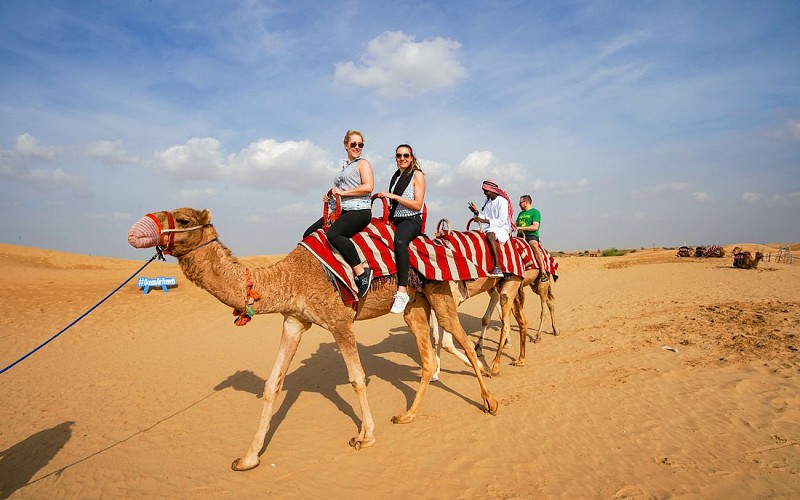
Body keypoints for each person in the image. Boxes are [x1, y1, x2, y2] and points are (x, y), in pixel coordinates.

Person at [304, 129, 374, 297]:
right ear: (345, 145)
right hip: (342, 210)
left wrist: (342, 193)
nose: (357, 147)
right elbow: (342, 189)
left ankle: (361, 272)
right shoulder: (345, 166)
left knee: (334, 234)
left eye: (360, 144)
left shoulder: (362, 163)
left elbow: (368, 186)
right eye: (353, 144)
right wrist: (331, 198)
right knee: (308, 234)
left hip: (359, 210)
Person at [376, 144, 426, 314]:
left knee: (399, 240)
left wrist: (394, 196)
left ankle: (402, 290)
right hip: (396, 219)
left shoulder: (417, 175)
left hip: (411, 219)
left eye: (406, 155)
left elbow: (418, 204)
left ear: (411, 158)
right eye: (399, 155)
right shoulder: (396, 176)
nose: (402, 158)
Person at [468, 180, 514, 277]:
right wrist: (476, 212)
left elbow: (501, 220)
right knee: (473, 235)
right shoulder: (487, 201)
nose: (485, 193)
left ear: (493, 190)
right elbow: (484, 216)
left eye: (486, 191)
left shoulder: (502, 201)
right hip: (488, 227)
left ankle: (497, 267)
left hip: (501, 228)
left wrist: (483, 221)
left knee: (489, 236)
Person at [516, 194, 550, 282]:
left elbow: (535, 227)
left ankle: (543, 271)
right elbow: (515, 224)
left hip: (531, 236)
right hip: (519, 237)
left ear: (526, 202)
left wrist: (521, 228)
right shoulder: (520, 214)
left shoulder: (535, 212)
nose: (519, 205)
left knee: (534, 246)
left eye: (520, 203)